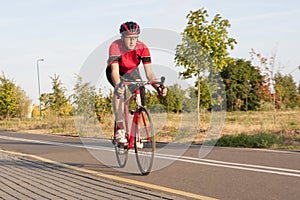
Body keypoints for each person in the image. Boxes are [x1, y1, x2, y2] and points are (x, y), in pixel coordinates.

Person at [106, 21, 167, 143]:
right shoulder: (115, 46)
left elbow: (149, 74)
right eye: (129, 38)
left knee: (141, 99)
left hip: (132, 72)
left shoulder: (142, 48)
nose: (132, 42)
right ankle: (119, 129)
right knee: (120, 92)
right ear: (122, 37)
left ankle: (135, 135)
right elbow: (115, 71)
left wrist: (158, 87)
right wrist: (119, 85)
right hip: (116, 71)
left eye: (135, 38)